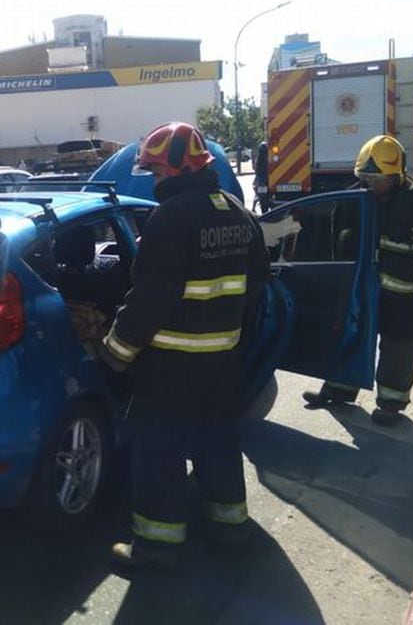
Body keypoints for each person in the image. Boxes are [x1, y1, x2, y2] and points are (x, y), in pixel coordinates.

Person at [99, 122, 269, 569]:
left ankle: (157, 545)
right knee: (218, 443)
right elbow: (257, 286)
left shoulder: (169, 220)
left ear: (176, 168)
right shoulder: (236, 212)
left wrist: (114, 353)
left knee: (158, 451)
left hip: (170, 366)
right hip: (221, 363)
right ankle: (230, 529)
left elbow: (149, 300)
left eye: (156, 173)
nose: (154, 182)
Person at [301, 135, 413, 425]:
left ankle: (391, 404)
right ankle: (338, 389)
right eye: (364, 176)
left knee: (398, 350)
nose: (369, 183)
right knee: (349, 336)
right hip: (362, 290)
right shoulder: (355, 198)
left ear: (396, 174)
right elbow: (339, 240)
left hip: (404, 296)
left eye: (376, 178)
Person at [253, 141, 270, 213]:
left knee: (260, 195)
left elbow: (256, 169)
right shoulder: (268, 159)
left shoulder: (258, 159)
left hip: (261, 180)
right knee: (260, 195)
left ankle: (255, 207)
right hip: (266, 179)